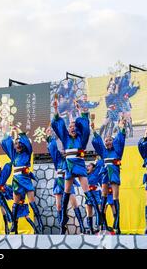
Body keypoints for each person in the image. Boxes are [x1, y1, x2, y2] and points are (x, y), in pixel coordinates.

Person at [51, 99, 102, 234]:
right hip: (68, 166)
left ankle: (99, 217)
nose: (72, 128)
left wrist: (80, 111)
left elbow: (84, 126)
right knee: (66, 193)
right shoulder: (65, 138)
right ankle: (62, 221)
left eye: (74, 127)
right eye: (70, 127)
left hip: (79, 165)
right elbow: (59, 124)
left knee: (87, 191)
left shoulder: (82, 138)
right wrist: (56, 110)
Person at [1, 127, 43, 233]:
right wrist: (9, 133)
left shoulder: (27, 153)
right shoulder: (13, 155)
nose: (18, 145)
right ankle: (14, 225)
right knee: (15, 205)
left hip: (26, 180)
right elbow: (6, 143)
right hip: (16, 181)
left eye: (19, 143)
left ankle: (40, 223)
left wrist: (19, 132)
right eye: (16, 144)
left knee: (32, 202)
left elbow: (27, 143)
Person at [46, 128, 85, 234]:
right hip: (59, 183)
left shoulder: (71, 158)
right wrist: (49, 137)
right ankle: (62, 227)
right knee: (58, 205)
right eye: (63, 149)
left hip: (68, 182)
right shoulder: (57, 158)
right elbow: (52, 147)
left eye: (65, 149)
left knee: (74, 204)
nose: (64, 151)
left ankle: (82, 226)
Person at [91, 117, 126, 234]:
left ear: (113, 141)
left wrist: (122, 127)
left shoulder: (118, 150)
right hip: (105, 174)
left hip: (114, 173)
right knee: (104, 196)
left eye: (110, 140)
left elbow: (121, 139)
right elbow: (97, 142)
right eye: (106, 140)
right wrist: (94, 130)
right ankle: (101, 220)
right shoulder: (103, 152)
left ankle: (117, 224)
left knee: (115, 198)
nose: (108, 142)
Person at [85, 160, 103, 234]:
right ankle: (90, 228)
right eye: (87, 166)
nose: (87, 167)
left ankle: (98, 227)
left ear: (93, 168)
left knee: (98, 210)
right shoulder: (85, 175)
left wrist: (96, 161)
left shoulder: (96, 173)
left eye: (89, 166)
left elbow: (100, 163)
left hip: (96, 194)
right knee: (89, 212)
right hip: (88, 194)